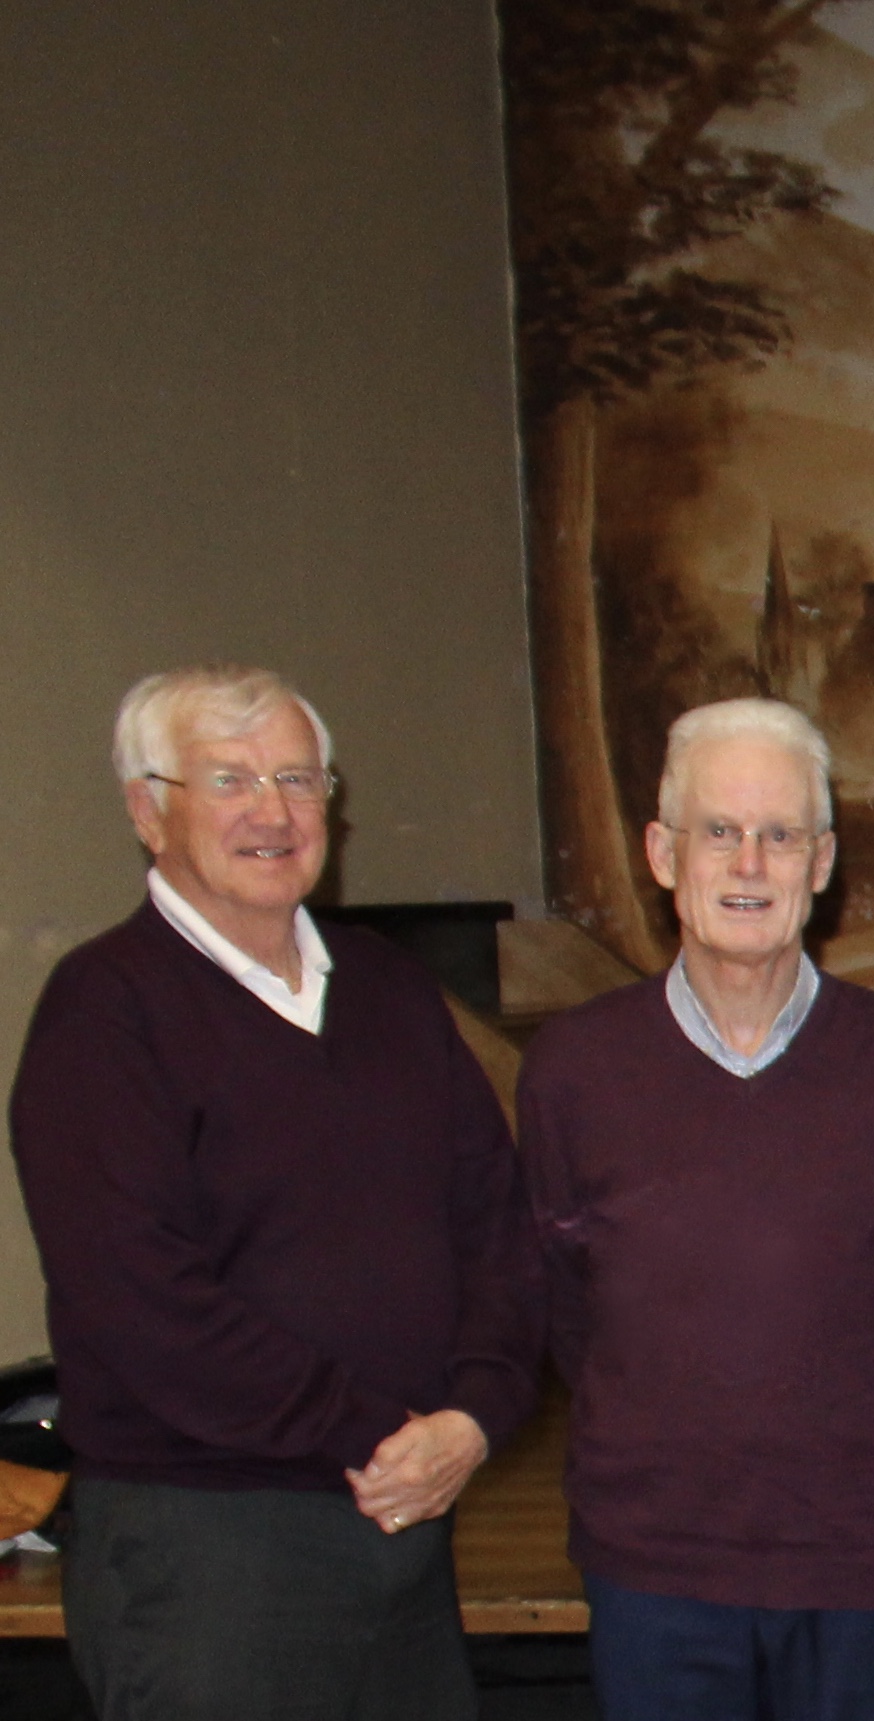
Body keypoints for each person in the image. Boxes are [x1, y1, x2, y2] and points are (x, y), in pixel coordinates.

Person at [9, 665, 539, 1718]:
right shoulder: (104, 1014)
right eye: (230, 780)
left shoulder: (387, 987)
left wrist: (475, 1414)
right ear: (147, 811)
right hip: (210, 1550)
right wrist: (374, 1430)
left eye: (298, 778)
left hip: (407, 1521)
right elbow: (141, 1301)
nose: (273, 810)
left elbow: (496, 1222)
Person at [520, 699, 874, 1718]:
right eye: (719, 830)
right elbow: (564, 1302)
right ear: (662, 852)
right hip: (657, 1564)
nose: (749, 863)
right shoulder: (574, 1069)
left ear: (822, 861)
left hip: (862, 1560)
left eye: (781, 835)